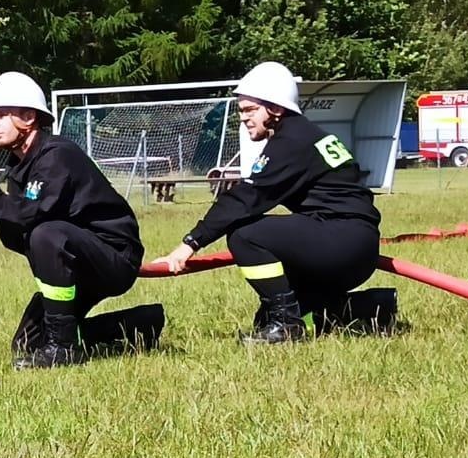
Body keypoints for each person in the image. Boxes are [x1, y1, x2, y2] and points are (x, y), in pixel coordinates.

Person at [0, 72, 165, 369]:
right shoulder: (20, 165)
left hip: (113, 258)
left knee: (46, 234)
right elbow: (16, 231)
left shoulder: (57, 156)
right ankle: (140, 324)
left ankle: (64, 349)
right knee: (27, 344)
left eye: (2, 115)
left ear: (28, 117)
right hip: (75, 263)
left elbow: (30, 221)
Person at [152, 62, 396, 341]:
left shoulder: (291, 142)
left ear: (276, 109)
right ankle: (374, 307)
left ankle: (287, 325)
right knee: (268, 317)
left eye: (250, 110)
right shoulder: (309, 135)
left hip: (340, 243)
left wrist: (189, 244)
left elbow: (246, 199)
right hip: (355, 247)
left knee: (245, 235)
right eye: (241, 111)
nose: (243, 118)